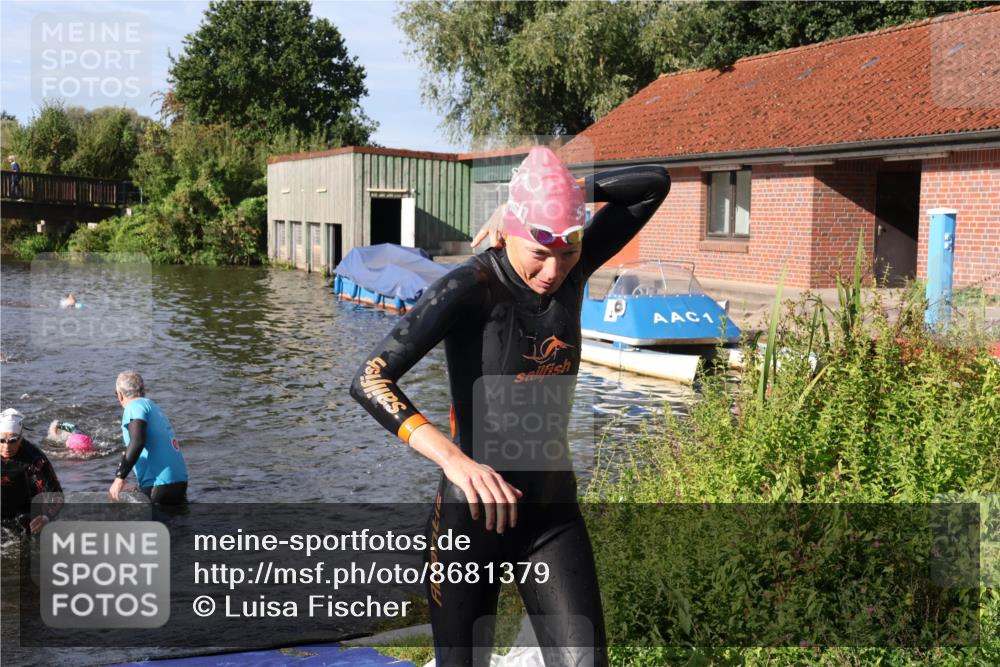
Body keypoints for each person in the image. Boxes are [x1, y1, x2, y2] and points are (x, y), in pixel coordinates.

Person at [350, 146, 670, 667]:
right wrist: (453, 460)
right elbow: (370, 378)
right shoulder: (469, 287)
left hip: (551, 515)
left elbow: (654, 180)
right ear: (508, 232)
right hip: (470, 519)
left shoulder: (575, 264)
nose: (553, 270)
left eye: (566, 254)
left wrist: (565, 195)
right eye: (540, 253)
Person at [108, 371, 188, 505]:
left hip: (159, 484)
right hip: (179, 481)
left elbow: (137, 441)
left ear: (120, 395)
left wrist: (119, 477)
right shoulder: (153, 407)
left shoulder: (133, 407)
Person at [1, 408, 63, 534]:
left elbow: (57, 496)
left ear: (20, 437)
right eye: (1, 440)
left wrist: (46, 517)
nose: (7, 446)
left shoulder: (35, 460)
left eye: (13, 440)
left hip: (25, 515)